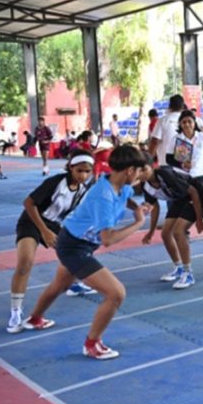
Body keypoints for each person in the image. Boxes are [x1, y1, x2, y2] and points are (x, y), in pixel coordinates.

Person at [22, 145, 150, 360]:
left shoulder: (120, 184)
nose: (139, 176)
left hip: (75, 240)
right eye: (137, 171)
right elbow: (108, 239)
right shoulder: (103, 196)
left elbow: (127, 195)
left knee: (60, 285)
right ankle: (92, 344)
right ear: (129, 170)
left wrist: (136, 207)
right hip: (74, 247)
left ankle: (34, 319)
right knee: (115, 293)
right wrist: (138, 223)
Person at [7, 150, 96, 334]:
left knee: (76, 253)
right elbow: (28, 203)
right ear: (71, 167)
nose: (84, 175)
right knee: (25, 263)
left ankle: (73, 284)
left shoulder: (82, 190)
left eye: (88, 172)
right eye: (80, 171)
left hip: (54, 224)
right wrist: (44, 231)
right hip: (32, 221)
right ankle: (15, 312)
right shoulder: (55, 182)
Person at [140, 159, 203, 290]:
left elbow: (193, 192)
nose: (142, 174)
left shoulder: (165, 175)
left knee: (178, 232)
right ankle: (179, 268)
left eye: (144, 169)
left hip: (196, 195)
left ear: (152, 167)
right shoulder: (145, 185)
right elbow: (154, 207)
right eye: (139, 171)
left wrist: (199, 218)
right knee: (165, 234)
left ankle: (188, 273)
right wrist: (151, 231)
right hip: (179, 200)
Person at [165, 109, 203, 241]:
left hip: (199, 175)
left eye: (189, 121)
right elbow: (169, 159)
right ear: (180, 124)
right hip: (182, 176)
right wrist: (181, 165)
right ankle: (184, 231)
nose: (187, 124)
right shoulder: (176, 139)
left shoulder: (202, 137)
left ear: (194, 122)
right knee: (182, 202)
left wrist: (199, 166)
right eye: (184, 122)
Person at [149, 94, 185, 166]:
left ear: (169, 106)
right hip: (183, 164)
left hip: (165, 164)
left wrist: (148, 160)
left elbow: (155, 141)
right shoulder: (189, 121)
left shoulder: (163, 120)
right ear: (183, 106)